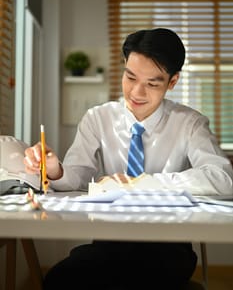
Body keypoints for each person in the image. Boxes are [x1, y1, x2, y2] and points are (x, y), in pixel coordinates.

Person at [24, 28, 233, 290]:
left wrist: (143, 184)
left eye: (152, 84)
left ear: (173, 81)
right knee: (59, 280)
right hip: (109, 242)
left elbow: (223, 179)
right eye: (130, 77)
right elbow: (76, 177)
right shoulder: (97, 119)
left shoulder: (189, 123)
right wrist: (55, 170)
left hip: (168, 246)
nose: (136, 92)